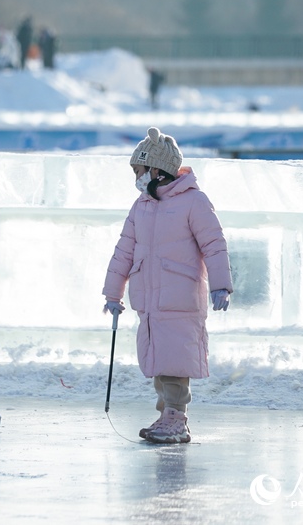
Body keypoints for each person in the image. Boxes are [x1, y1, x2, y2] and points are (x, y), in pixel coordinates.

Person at [102, 127, 232, 444]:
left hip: (181, 299)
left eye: (140, 171)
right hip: (150, 302)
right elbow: (124, 251)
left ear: (157, 171)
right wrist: (113, 293)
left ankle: (177, 418)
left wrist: (221, 285)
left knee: (175, 361)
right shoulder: (141, 207)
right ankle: (167, 415)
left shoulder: (194, 202)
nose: (137, 178)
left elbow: (214, 245)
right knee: (160, 362)